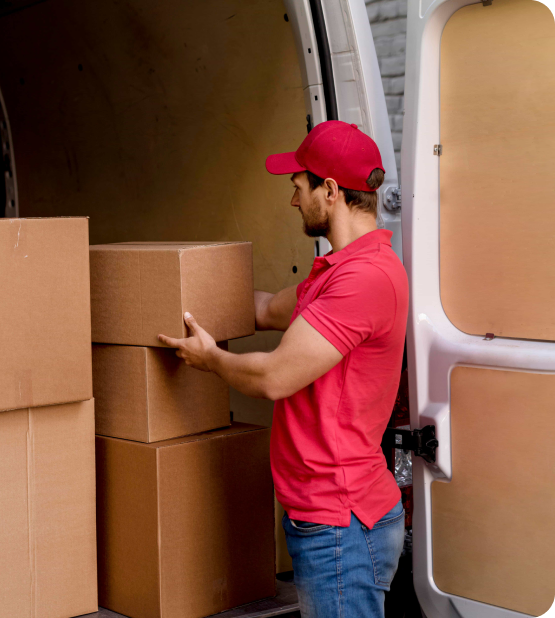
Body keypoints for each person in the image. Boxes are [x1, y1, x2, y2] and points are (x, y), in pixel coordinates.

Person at [158, 120, 408, 618]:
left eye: (299, 188)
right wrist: (167, 288)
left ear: (330, 191)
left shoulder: (364, 280)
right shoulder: (337, 270)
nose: (294, 201)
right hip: (327, 516)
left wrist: (210, 359)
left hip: (341, 522)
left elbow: (274, 377)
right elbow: (267, 307)